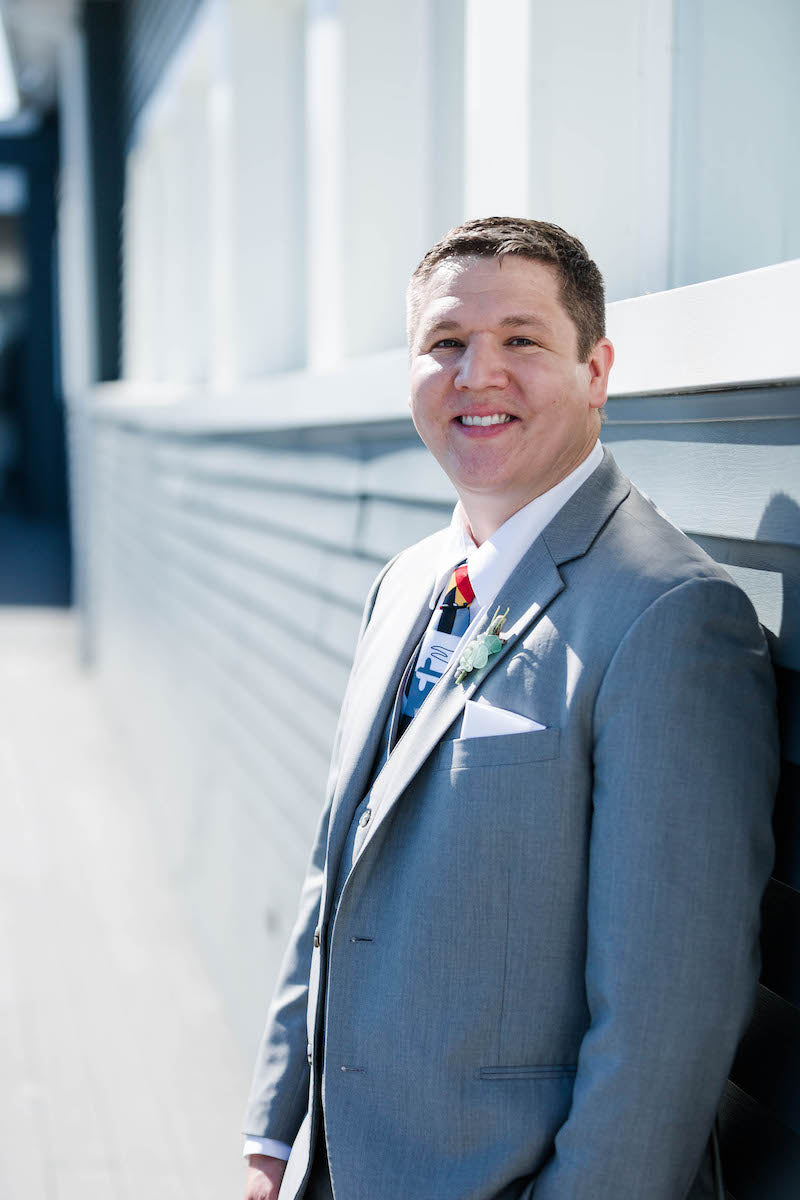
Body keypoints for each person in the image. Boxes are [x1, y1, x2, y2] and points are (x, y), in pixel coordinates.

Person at [242, 217, 778, 1200]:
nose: (476, 374)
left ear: (596, 368)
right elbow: (335, 873)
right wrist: (275, 1135)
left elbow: (665, 1015)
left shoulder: (667, 617)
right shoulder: (407, 582)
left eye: (521, 340)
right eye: (444, 343)